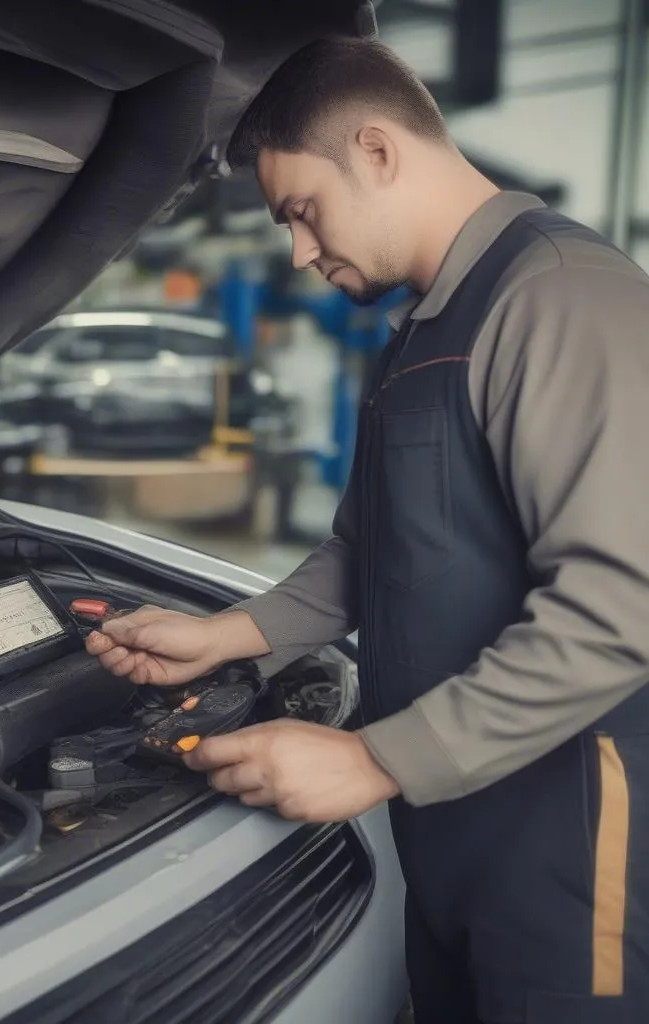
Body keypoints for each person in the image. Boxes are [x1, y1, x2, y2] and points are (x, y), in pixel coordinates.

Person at [86, 36, 649, 1024]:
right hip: (452, 817)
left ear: (379, 150)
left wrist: (370, 760)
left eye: (302, 210)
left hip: (562, 830)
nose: (298, 252)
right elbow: (372, 546)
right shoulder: (432, 323)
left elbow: (622, 605)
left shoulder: (557, 295)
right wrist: (225, 634)